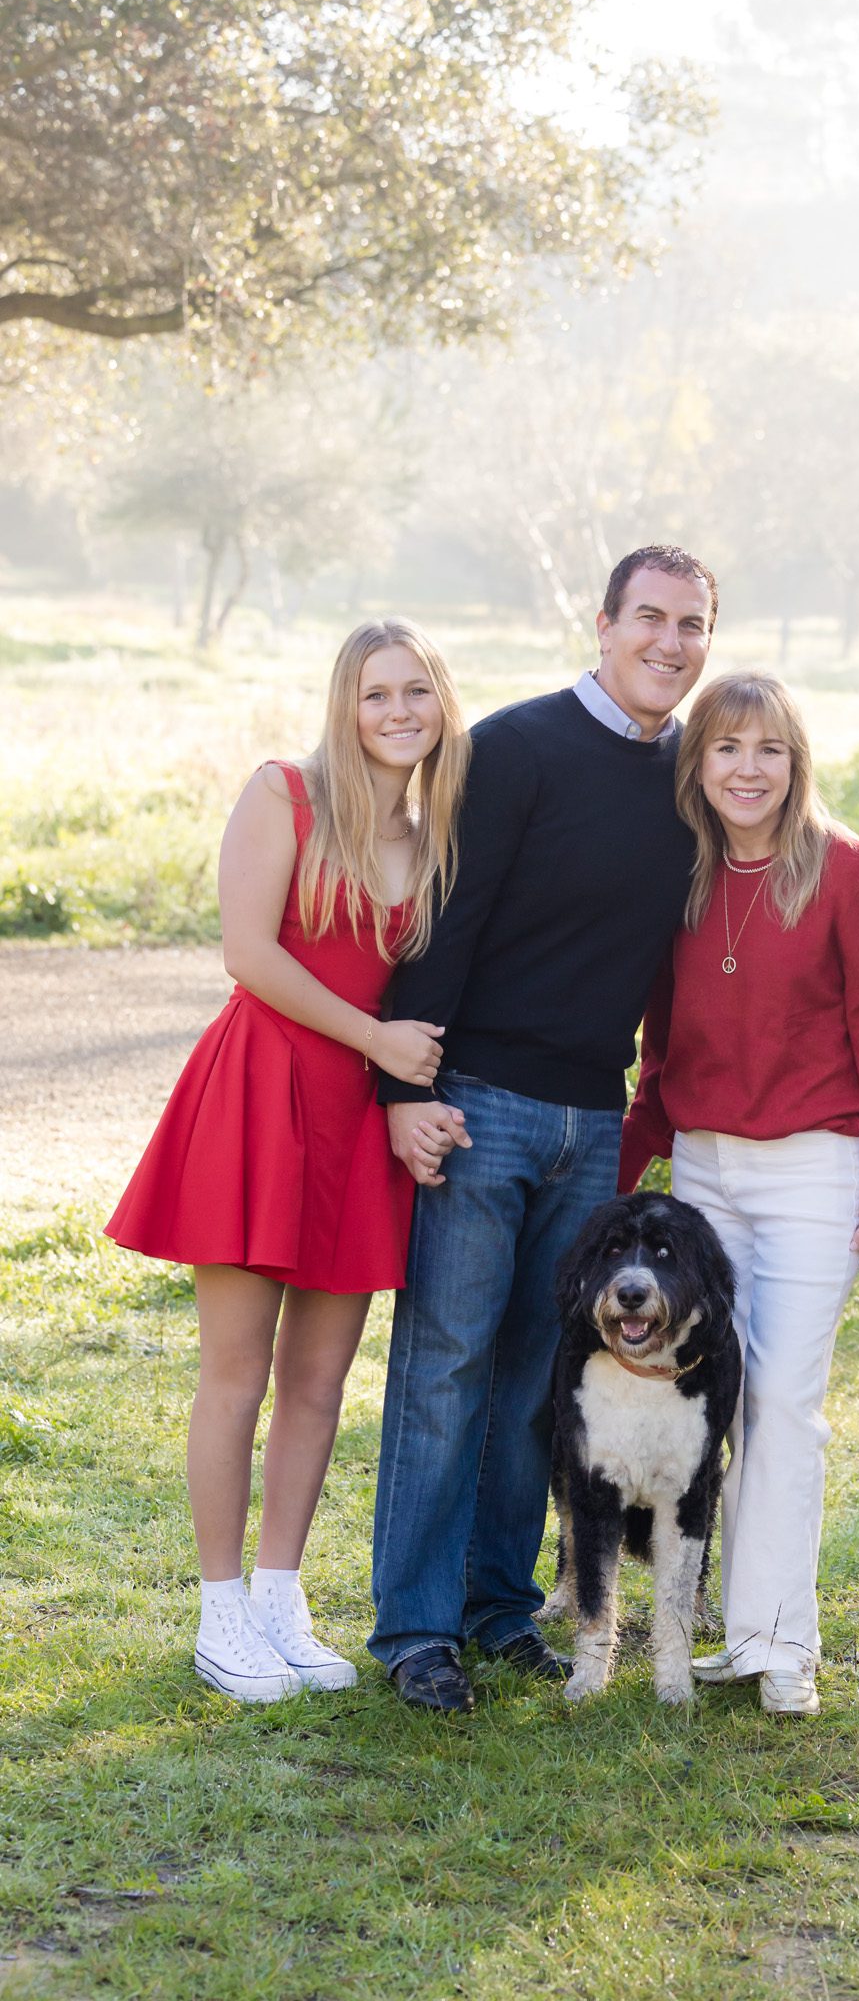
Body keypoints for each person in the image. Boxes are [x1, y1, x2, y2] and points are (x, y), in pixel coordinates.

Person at [371, 544, 717, 1714]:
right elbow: (446, 916)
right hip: (478, 1101)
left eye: (692, 626)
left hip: (594, 1114)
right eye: (651, 620)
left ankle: (499, 1607)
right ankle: (416, 1628)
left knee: (541, 1373)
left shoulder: (689, 776)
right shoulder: (512, 747)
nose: (670, 644)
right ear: (605, 621)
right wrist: (406, 1092)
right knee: (445, 1365)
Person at [106, 619, 468, 1702]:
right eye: (375, 694)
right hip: (264, 1091)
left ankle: (278, 1595)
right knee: (238, 1369)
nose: (398, 711)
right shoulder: (286, 794)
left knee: (318, 1381)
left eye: (417, 691)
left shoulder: (437, 834)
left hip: (358, 1120)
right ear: (342, 705)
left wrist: (402, 1088)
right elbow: (247, 952)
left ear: (442, 704)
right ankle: (220, 1609)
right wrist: (375, 1042)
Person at [618, 668, 859, 1717]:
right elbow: (661, 1040)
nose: (748, 769)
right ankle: (738, 1622)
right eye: (727, 748)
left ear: (797, 763)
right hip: (703, 1167)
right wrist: (629, 1156)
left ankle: (784, 1642)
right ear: (697, 763)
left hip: (813, 1165)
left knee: (787, 1396)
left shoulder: (843, 871)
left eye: (770, 749)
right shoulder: (682, 875)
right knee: (723, 1397)